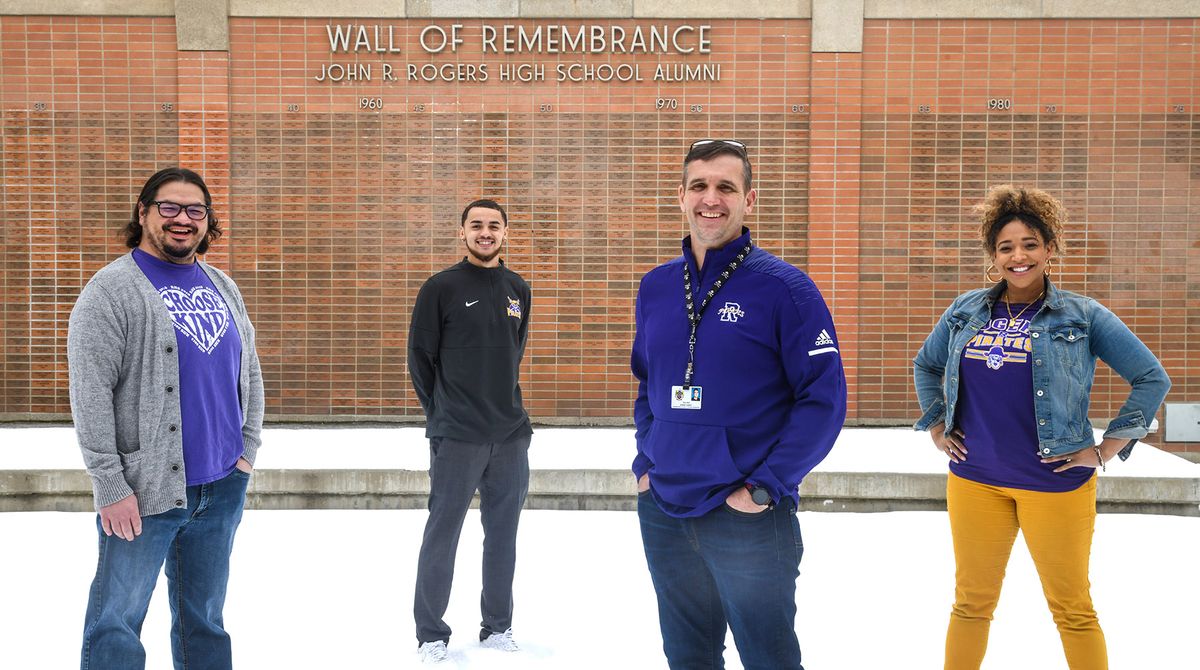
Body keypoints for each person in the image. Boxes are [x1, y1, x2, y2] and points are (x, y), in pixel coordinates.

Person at [913, 184, 1171, 670]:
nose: (1019, 256)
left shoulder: (1083, 314)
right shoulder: (966, 310)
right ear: (993, 255)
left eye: (1030, 244)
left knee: (1072, 609)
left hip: (1054, 484)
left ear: (1050, 249)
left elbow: (1151, 377)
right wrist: (937, 425)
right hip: (976, 481)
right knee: (971, 604)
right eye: (1006, 246)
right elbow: (926, 366)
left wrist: (1105, 449)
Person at [630, 139, 847, 670]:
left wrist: (765, 487)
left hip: (748, 515)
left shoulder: (786, 289)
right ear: (680, 196)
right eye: (699, 186)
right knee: (687, 658)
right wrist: (646, 462)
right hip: (665, 509)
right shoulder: (657, 286)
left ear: (750, 200)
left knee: (769, 661)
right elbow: (647, 384)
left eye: (726, 187)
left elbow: (824, 399)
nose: (712, 199)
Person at [68, 167, 264, 670]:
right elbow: (90, 393)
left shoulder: (222, 283)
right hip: (145, 491)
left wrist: (247, 450)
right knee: (117, 622)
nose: (183, 219)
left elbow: (249, 370)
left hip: (221, 487)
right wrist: (110, 483)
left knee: (205, 619)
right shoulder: (110, 290)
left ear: (207, 221)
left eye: (195, 210)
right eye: (169, 208)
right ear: (144, 213)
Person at [408, 199, 533, 664]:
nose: (486, 232)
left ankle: (497, 627)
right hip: (457, 435)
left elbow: (512, 355)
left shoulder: (518, 288)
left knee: (503, 535)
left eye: (494, 226)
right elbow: (420, 359)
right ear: (462, 232)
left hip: (511, 435)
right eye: (476, 225)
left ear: (505, 233)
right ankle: (431, 635)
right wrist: (442, 413)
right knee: (442, 534)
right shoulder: (440, 287)